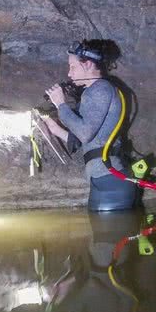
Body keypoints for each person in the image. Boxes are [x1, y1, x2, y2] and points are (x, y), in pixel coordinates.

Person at [43, 40, 138, 212]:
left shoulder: (101, 89)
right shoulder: (93, 91)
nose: (69, 73)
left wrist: (61, 104)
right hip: (103, 180)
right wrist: (55, 129)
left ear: (87, 64)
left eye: (73, 67)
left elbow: (85, 133)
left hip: (110, 180)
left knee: (107, 236)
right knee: (103, 236)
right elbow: (85, 141)